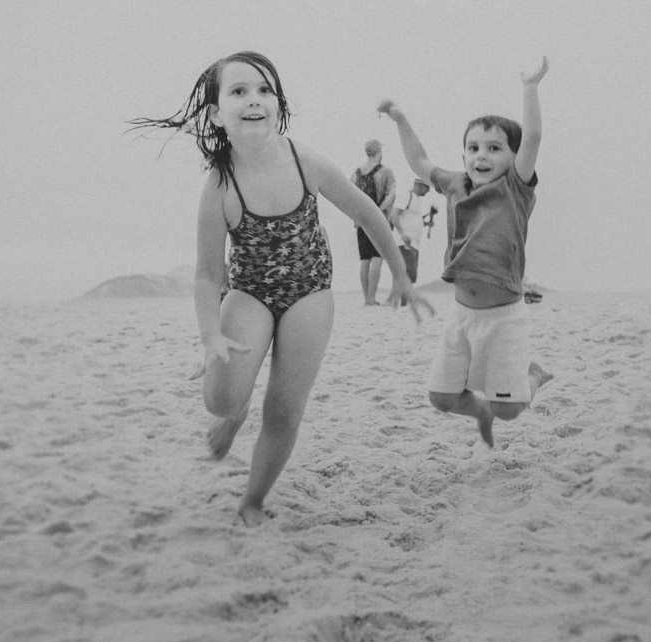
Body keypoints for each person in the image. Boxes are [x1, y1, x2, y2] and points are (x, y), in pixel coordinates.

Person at [130, 51, 433, 526]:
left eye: (265, 90)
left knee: (284, 410)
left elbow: (367, 214)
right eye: (239, 91)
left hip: (310, 290)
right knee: (221, 398)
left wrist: (401, 276)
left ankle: (252, 498)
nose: (254, 99)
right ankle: (234, 413)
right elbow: (209, 275)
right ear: (216, 114)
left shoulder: (304, 160)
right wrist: (210, 335)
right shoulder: (218, 188)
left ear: (278, 105)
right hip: (249, 291)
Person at [378, 57, 554, 449]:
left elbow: (534, 137)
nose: (481, 155)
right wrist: (400, 119)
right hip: (461, 314)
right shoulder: (456, 185)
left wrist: (530, 87)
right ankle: (483, 413)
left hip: (504, 317)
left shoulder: (515, 188)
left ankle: (534, 376)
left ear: (512, 157)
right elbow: (420, 161)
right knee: (441, 398)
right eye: (473, 148)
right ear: (463, 156)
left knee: (511, 407)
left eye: (494, 148)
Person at [351, 139, 396, 306]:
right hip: (380, 221)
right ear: (379, 153)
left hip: (362, 222)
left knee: (364, 260)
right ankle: (372, 297)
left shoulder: (356, 173)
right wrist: (379, 211)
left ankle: (366, 298)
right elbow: (391, 194)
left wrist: (356, 218)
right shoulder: (386, 172)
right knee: (377, 258)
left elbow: (350, 198)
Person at [387, 177, 435, 305]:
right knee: (407, 272)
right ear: (419, 185)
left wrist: (427, 223)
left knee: (409, 273)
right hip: (405, 242)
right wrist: (402, 234)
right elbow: (393, 214)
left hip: (414, 243)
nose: (428, 191)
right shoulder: (407, 196)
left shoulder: (416, 201)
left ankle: (400, 301)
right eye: (427, 187)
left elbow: (412, 221)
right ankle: (398, 301)